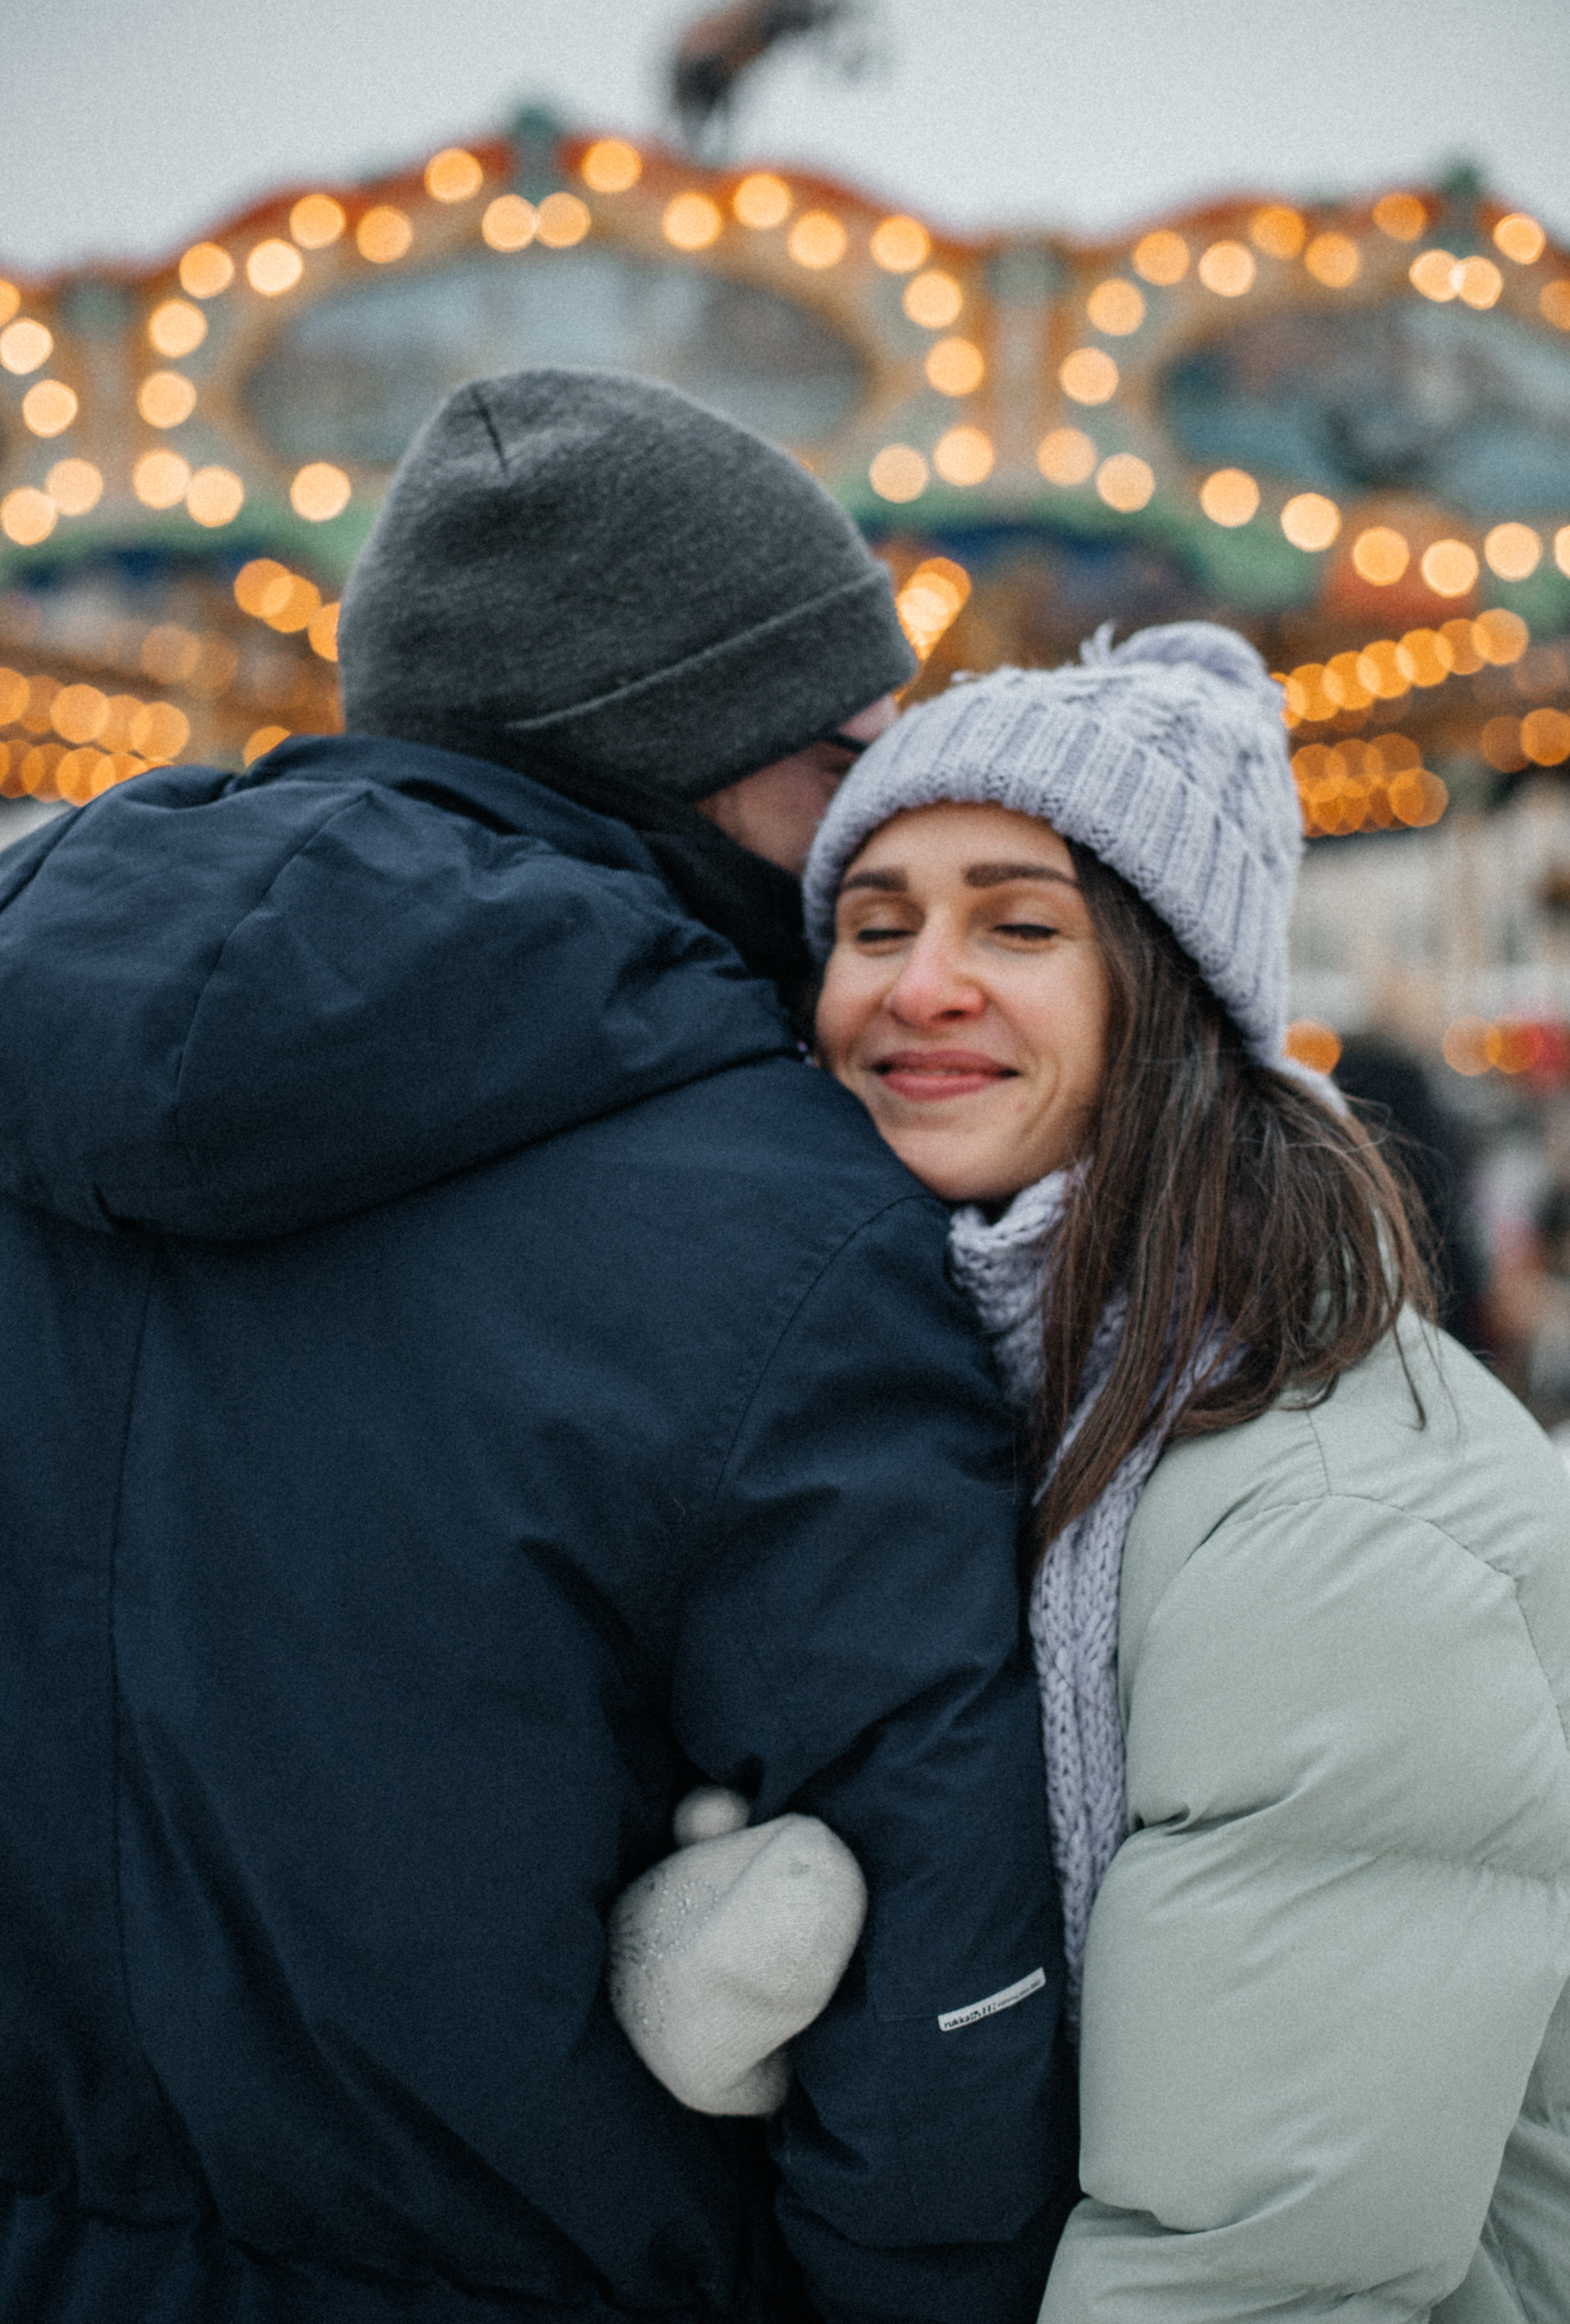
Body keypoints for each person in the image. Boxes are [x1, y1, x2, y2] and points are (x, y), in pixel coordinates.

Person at [0, 371, 1075, 2323]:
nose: (875, 812)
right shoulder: (795, 1221)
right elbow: (939, 1961)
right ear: (692, 753)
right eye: (848, 751)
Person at [617, 621, 1570, 2318]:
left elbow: (1264, 2263)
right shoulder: (972, 1394)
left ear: (1174, 986)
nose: (921, 984)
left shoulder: (1322, 1516)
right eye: (874, 923)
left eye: (1021, 922)